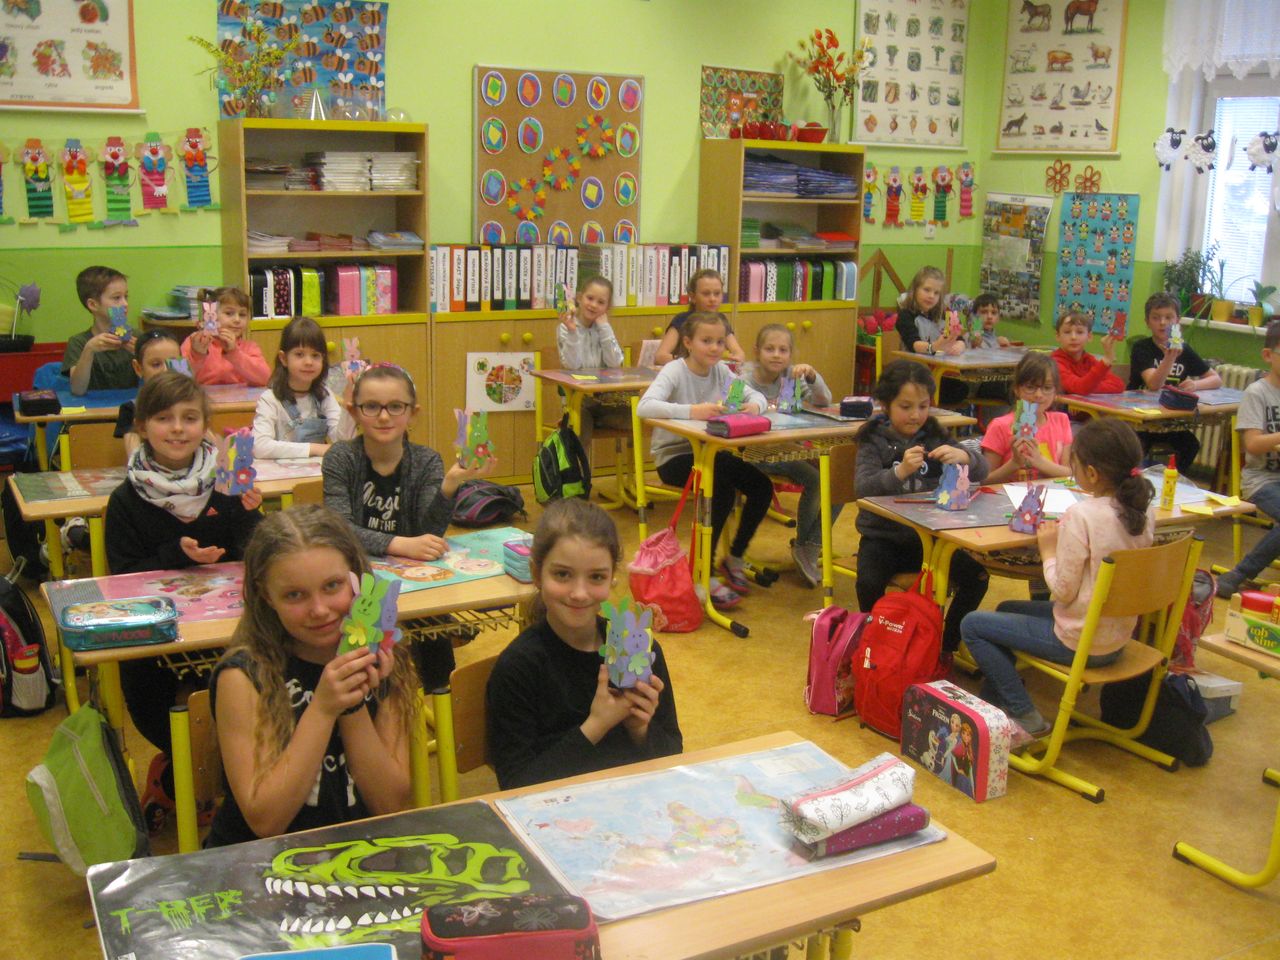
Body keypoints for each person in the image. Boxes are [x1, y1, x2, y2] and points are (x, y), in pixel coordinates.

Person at [104, 371, 264, 832]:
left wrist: (252, 515)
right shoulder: (126, 500)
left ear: (205, 425)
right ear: (141, 426)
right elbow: (122, 580)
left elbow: (259, 555)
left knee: (253, 697)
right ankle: (184, 773)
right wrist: (176, 554)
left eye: (190, 418)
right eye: (163, 418)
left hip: (228, 635)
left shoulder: (228, 484)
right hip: (157, 650)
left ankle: (233, 788)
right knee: (172, 717)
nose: (177, 428)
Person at [205, 506, 416, 846]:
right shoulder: (244, 676)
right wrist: (323, 708)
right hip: (263, 861)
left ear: (356, 579)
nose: (319, 609)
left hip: (358, 854)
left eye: (332, 586)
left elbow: (388, 804)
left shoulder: (384, 658)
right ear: (266, 595)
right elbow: (266, 821)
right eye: (295, 595)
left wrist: (351, 704)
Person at [959, 418, 1155, 736]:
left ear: (1092, 474)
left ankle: (1024, 714)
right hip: (1115, 636)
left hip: (1081, 642)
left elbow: (1063, 591)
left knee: (973, 625)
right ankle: (993, 706)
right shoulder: (1143, 510)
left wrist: (1048, 549)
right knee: (1007, 608)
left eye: (1073, 465)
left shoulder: (1083, 515)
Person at [485, 498, 681, 789]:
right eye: (562, 574)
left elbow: (673, 755)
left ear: (612, 579)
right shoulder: (518, 667)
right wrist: (596, 725)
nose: (579, 593)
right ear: (537, 574)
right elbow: (516, 786)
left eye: (596, 577)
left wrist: (640, 728)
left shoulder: (638, 650)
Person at [322, 363, 493, 689]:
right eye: (371, 406)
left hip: (412, 580)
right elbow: (339, 528)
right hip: (357, 579)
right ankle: (374, 696)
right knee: (369, 662)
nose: (384, 416)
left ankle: (439, 693)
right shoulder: (341, 458)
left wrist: (449, 486)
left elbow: (429, 533)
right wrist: (398, 543)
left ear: (412, 413)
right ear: (354, 412)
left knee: (434, 638)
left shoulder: (426, 460)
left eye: (395, 407)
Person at [637, 311, 771, 610]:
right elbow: (644, 407)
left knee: (761, 486)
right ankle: (703, 572)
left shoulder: (722, 372)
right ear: (688, 342)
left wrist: (754, 406)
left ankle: (734, 558)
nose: (714, 348)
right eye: (706, 341)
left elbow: (755, 396)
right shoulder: (674, 370)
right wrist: (691, 411)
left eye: (720, 342)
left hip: (711, 454)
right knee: (720, 488)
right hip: (674, 457)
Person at [854, 359, 989, 653]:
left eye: (923, 406)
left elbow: (983, 469)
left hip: (931, 540)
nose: (916, 415)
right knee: (868, 582)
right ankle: (875, 644)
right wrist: (899, 472)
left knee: (977, 576)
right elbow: (862, 488)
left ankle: (945, 646)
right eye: (906, 407)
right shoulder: (873, 439)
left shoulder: (934, 434)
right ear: (886, 405)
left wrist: (965, 458)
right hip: (884, 538)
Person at [743, 323, 840, 587]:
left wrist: (813, 376)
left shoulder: (792, 377)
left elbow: (824, 400)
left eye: (783, 350)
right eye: (769, 349)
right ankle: (805, 546)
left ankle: (809, 545)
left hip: (789, 449)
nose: (776, 355)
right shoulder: (745, 378)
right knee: (815, 480)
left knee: (840, 479)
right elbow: (731, 409)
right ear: (757, 351)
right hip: (755, 452)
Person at [1215, 320, 1280, 598]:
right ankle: (1239, 574)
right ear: (1268, 355)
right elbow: (1252, 444)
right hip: (1262, 480)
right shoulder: (1258, 393)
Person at [1127, 291, 1222, 467]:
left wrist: (1195, 384)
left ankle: (1173, 479)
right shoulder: (1142, 348)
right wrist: (1169, 357)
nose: (1162, 322)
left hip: (1167, 421)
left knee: (1190, 445)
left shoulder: (1184, 349)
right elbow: (1154, 384)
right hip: (1139, 420)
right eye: (1156, 318)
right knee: (1137, 449)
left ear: (1177, 321)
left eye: (1168, 317)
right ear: (1147, 322)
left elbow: (1216, 379)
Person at [253, 316, 356, 459]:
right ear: (283, 358)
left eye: (315, 355)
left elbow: (343, 442)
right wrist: (315, 448)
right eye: (299, 354)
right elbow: (259, 447)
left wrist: (347, 405)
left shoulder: (324, 395)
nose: (309, 362)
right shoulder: (270, 399)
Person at [555, 275, 630, 446]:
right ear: (579, 298)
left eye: (601, 302)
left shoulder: (604, 329)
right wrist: (573, 332)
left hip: (605, 399)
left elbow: (615, 362)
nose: (594, 305)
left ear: (607, 307)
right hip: (578, 401)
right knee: (580, 423)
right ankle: (578, 464)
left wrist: (605, 328)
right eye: (590, 298)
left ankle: (598, 420)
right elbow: (572, 365)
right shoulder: (565, 328)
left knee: (634, 416)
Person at [981, 353, 1073, 483]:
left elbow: (1069, 473)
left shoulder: (1061, 420)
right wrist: (1014, 463)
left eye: (1047, 388)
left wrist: (1040, 462)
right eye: (1030, 387)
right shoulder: (1000, 426)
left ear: (1055, 391)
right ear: (1017, 389)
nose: (1039, 394)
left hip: (1052, 492)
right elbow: (984, 480)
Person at [894, 266, 968, 406]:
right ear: (915, 289)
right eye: (927, 290)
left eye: (936, 293)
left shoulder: (943, 315)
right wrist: (934, 347)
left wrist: (960, 344)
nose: (931, 296)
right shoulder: (906, 315)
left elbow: (960, 338)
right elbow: (914, 344)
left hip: (936, 372)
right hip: (911, 373)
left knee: (961, 388)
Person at [62, 265, 137, 395]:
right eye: (116, 298)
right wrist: (89, 351)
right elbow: (77, 390)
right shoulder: (79, 343)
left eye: (126, 296)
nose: (125, 304)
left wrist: (143, 354)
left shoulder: (137, 337)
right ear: (93, 304)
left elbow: (162, 382)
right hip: (93, 406)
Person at [113, 330, 183, 458]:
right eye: (156, 364)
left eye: (172, 362)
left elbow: (212, 448)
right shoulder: (132, 408)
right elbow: (134, 457)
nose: (165, 370)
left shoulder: (192, 404)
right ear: (138, 368)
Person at [182, 286, 271, 386]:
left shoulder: (249, 348)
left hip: (240, 396)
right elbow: (179, 379)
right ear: (210, 314)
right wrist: (197, 354)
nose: (237, 320)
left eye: (242, 315)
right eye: (229, 313)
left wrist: (234, 353)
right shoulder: (193, 342)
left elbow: (265, 378)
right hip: (202, 395)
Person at [654, 269, 746, 366]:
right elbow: (660, 356)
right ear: (693, 297)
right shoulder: (681, 320)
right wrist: (694, 362)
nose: (712, 299)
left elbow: (739, 353)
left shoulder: (721, 321)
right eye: (706, 294)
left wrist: (737, 358)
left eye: (717, 293)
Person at [1051, 311, 1124, 396]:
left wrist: (1089, 386)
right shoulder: (1054, 363)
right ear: (1058, 336)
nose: (1073, 337)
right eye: (1067, 332)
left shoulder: (1088, 360)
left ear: (1089, 336)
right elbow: (1080, 388)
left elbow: (1118, 384)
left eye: (1080, 332)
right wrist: (1106, 360)